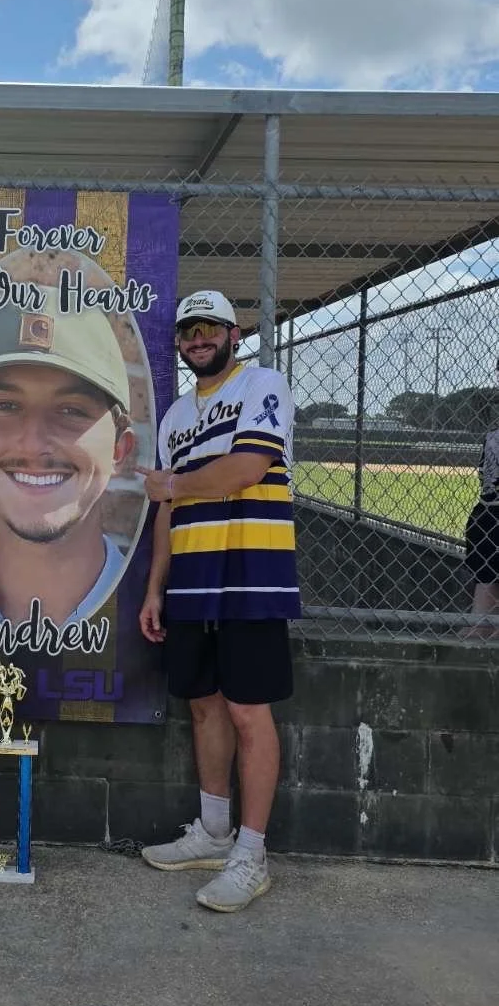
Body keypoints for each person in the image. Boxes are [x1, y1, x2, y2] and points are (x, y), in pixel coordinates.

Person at [137, 289, 301, 913]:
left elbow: (246, 468)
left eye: (210, 327)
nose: (198, 338)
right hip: (191, 581)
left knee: (247, 712)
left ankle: (252, 857)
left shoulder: (262, 383)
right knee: (203, 706)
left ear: (235, 334)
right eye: (188, 330)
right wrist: (155, 588)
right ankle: (212, 833)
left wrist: (174, 483)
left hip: (251, 577)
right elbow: (166, 509)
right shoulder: (177, 417)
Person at [0, 289, 136, 625]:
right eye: (6, 406)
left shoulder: (149, 600)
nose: (34, 445)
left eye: (72, 410)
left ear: (118, 449)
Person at [464, 359, 499, 638]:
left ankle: (481, 624)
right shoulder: (492, 437)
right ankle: (482, 624)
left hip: (487, 514)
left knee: (486, 576)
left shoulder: (491, 436)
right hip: (490, 516)